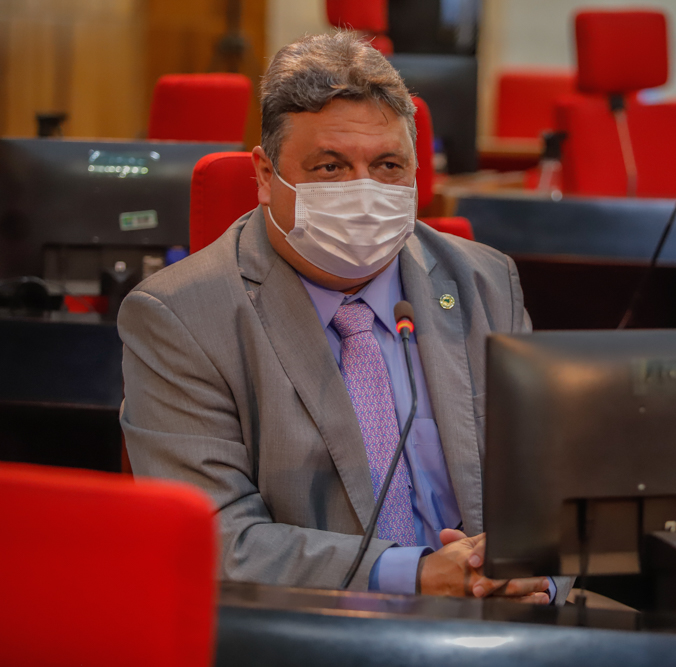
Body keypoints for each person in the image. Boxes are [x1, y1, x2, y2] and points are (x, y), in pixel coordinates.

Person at [119, 31, 567, 604]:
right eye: (330, 167)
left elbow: (552, 482)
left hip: (499, 620)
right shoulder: (180, 316)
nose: (364, 191)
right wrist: (416, 574)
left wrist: (535, 577)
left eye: (387, 165)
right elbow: (216, 537)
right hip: (314, 629)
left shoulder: (484, 282)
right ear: (265, 176)